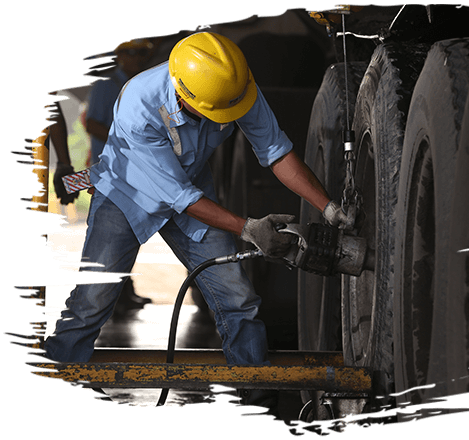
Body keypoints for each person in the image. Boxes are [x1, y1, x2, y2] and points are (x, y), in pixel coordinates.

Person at [43, 32, 347, 413]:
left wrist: (328, 207)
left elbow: (275, 152)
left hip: (190, 185)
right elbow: (181, 200)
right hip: (126, 190)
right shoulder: (137, 100)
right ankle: (57, 371)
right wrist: (249, 228)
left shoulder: (235, 88)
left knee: (238, 298)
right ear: (183, 95)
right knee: (93, 298)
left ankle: (257, 396)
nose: (224, 118)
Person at [84, 38, 156, 311]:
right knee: (110, 234)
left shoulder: (142, 87)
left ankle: (123, 292)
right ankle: (108, 297)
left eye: (142, 54)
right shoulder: (107, 85)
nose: (138, 58)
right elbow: (91, 123)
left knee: (129, 231)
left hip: (134, 172)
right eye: (132, 53)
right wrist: (125, 141)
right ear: (121, 56)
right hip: (111, 172)